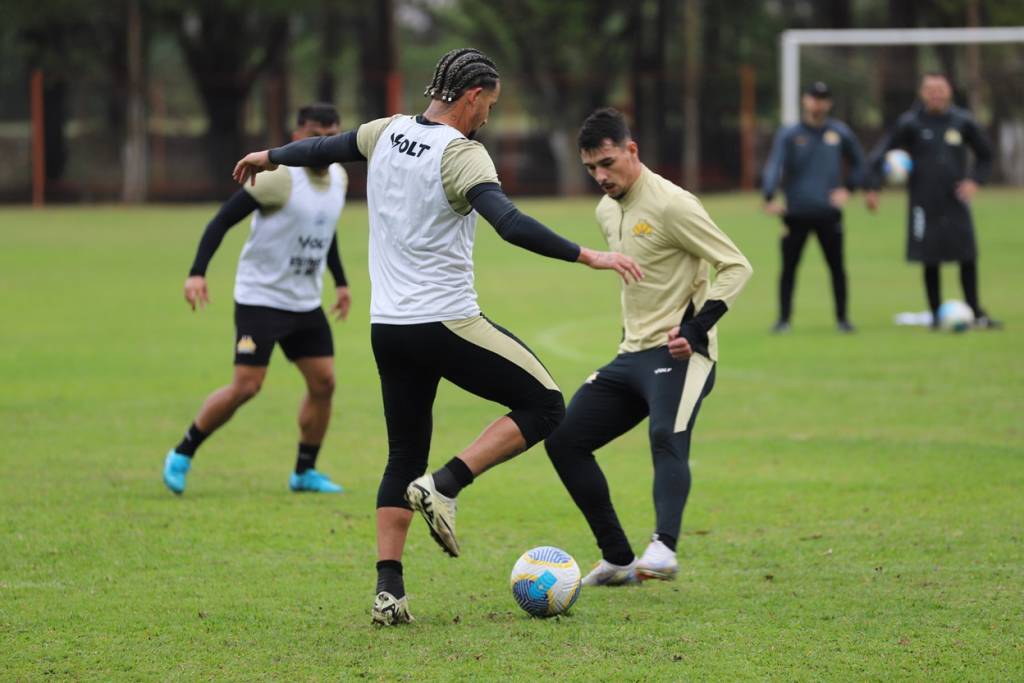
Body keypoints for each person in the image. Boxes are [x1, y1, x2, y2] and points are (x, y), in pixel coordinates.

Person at [232, 48, 643, 625]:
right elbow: (509, 223)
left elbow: (324, 149)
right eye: (490, 105)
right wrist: (588, 255)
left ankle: (389, 592)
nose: (489, 117)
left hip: (388, 329)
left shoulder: (385, 131)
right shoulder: (462, 154)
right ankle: (446, 485)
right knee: (547, 404)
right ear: (472, 96)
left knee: (403, 454)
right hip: (446, 322)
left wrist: (270, 154)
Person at [544, 108, 752, 586]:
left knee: (665, 434)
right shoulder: (606, 209)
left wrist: (696, 329)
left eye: (608, 163)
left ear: (632, 150)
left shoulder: (673, 205)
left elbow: (735, 265)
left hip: (683, 354)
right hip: (631, 355)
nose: (601, 176)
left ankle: (664, 549)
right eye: (591, 168)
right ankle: (618, 558)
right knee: (564, 440)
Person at [163, 103, 351, 496]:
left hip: (305, 301)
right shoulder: (279, 178)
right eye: (316, 135)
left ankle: (304, 471)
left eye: (332, 136)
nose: (324, 144)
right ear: (298, 136)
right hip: (261, 299)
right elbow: (222, 221)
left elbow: (325, 229)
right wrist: (197, 272)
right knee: (247, 386)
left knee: (324, 382)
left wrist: (341, 282)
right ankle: (182, 452)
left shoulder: (339, 177)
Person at [865, 72, 1000, 329]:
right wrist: (873, 186)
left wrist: (974, 181)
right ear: (922, 93)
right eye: (930, 89)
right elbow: (881, 154)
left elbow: (986, 154)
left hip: (956, 199)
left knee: (966, 255)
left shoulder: (962, 121)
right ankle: (937, 315)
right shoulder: (910, 123)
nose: (936, 93)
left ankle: (975, 312)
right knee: (929, 257)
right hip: (923, 201)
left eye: (940, 88)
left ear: (949, 91)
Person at [761, 81, 865, 333]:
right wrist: (769, 195)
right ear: (805, 101)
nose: (818, 103)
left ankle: (842, 319)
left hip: (828, 213)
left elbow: (860, 163)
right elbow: (775, 165)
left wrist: (848, 189)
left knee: (837, 267)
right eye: (814, 98)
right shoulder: (790, 134)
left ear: (828, 103)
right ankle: (783, 320)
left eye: (823, 99)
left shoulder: (839, 133)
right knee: (788, 268)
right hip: (795, 213)